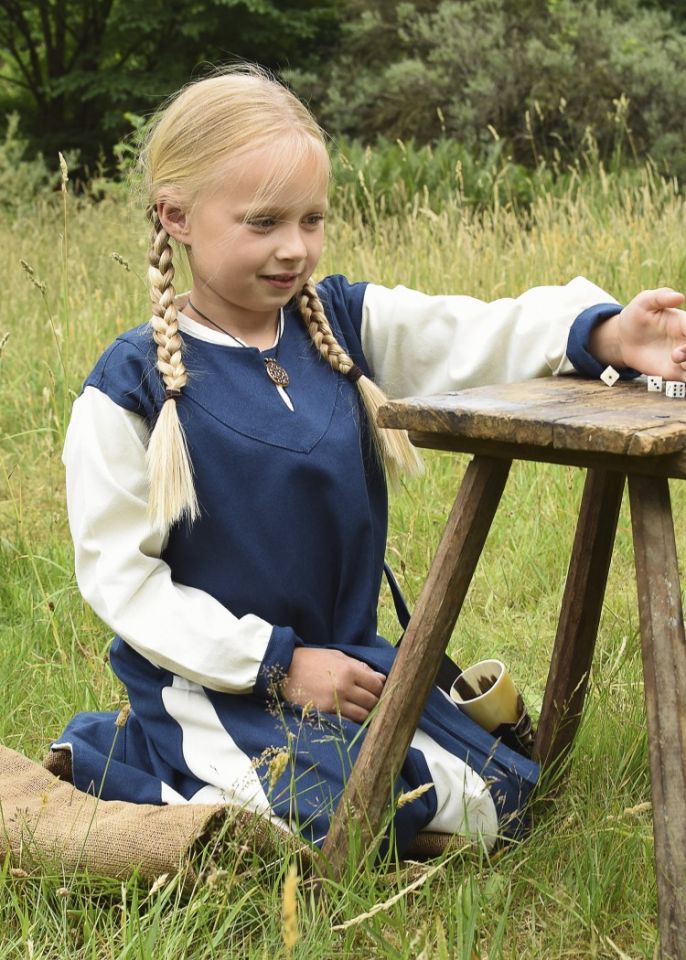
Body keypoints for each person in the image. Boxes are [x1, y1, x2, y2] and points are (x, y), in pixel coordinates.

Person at [52, 65, 686, 858]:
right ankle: (130, 755)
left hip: (349, 667)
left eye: (312, 219)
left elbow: (469, 330)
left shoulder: (337, 325)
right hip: (215, 683)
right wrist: (276, 665)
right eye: (263, 222)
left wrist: (602, 335)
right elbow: (125, 583)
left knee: (493, 798)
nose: (295, 248)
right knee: (342, 820)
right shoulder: (130, 389)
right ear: (176, 215)